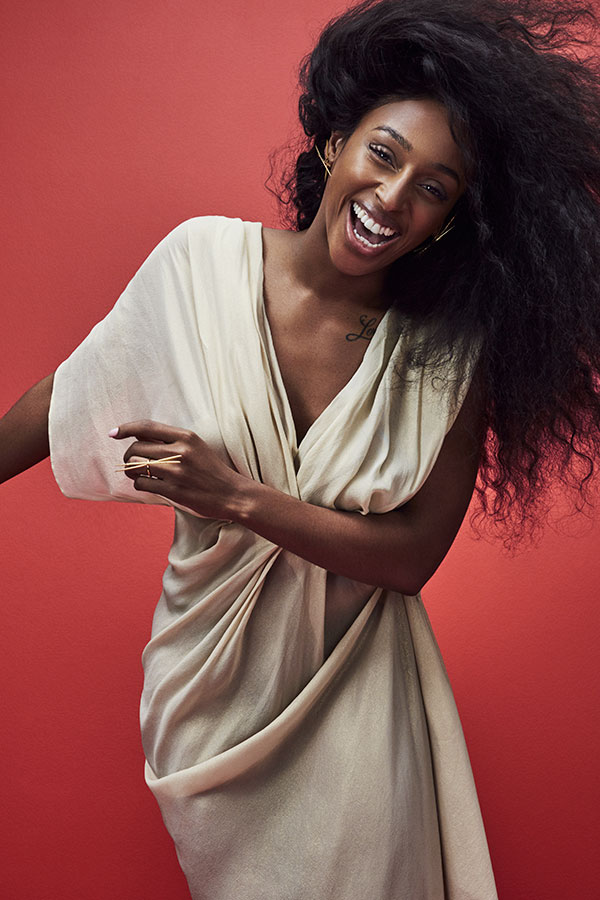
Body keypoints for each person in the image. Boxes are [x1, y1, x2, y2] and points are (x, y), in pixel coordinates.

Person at [2, 0, 600, 897]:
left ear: (449, 220)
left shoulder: (445, 354)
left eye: (434, 188)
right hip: (207, 695)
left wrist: (239, 498)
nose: (392, 198)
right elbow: (70, 391)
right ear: (334, 141)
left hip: (360, 697)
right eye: (384, 154)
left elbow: (411, 559)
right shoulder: (203, 264)